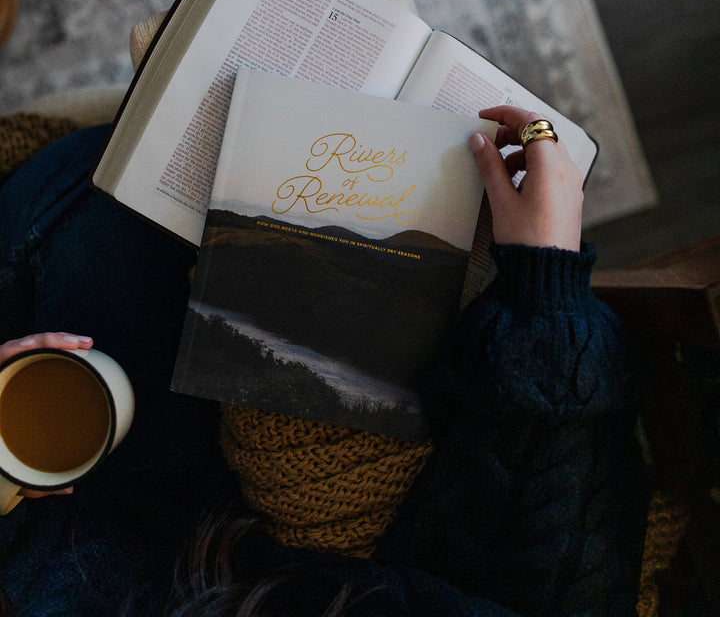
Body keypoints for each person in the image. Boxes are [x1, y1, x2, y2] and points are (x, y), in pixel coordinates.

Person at [0, 106, 648, 616]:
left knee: (97, 180)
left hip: (128, 536)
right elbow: (568, 561)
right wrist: (547, 276)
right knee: (130, 166)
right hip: (222, 541)